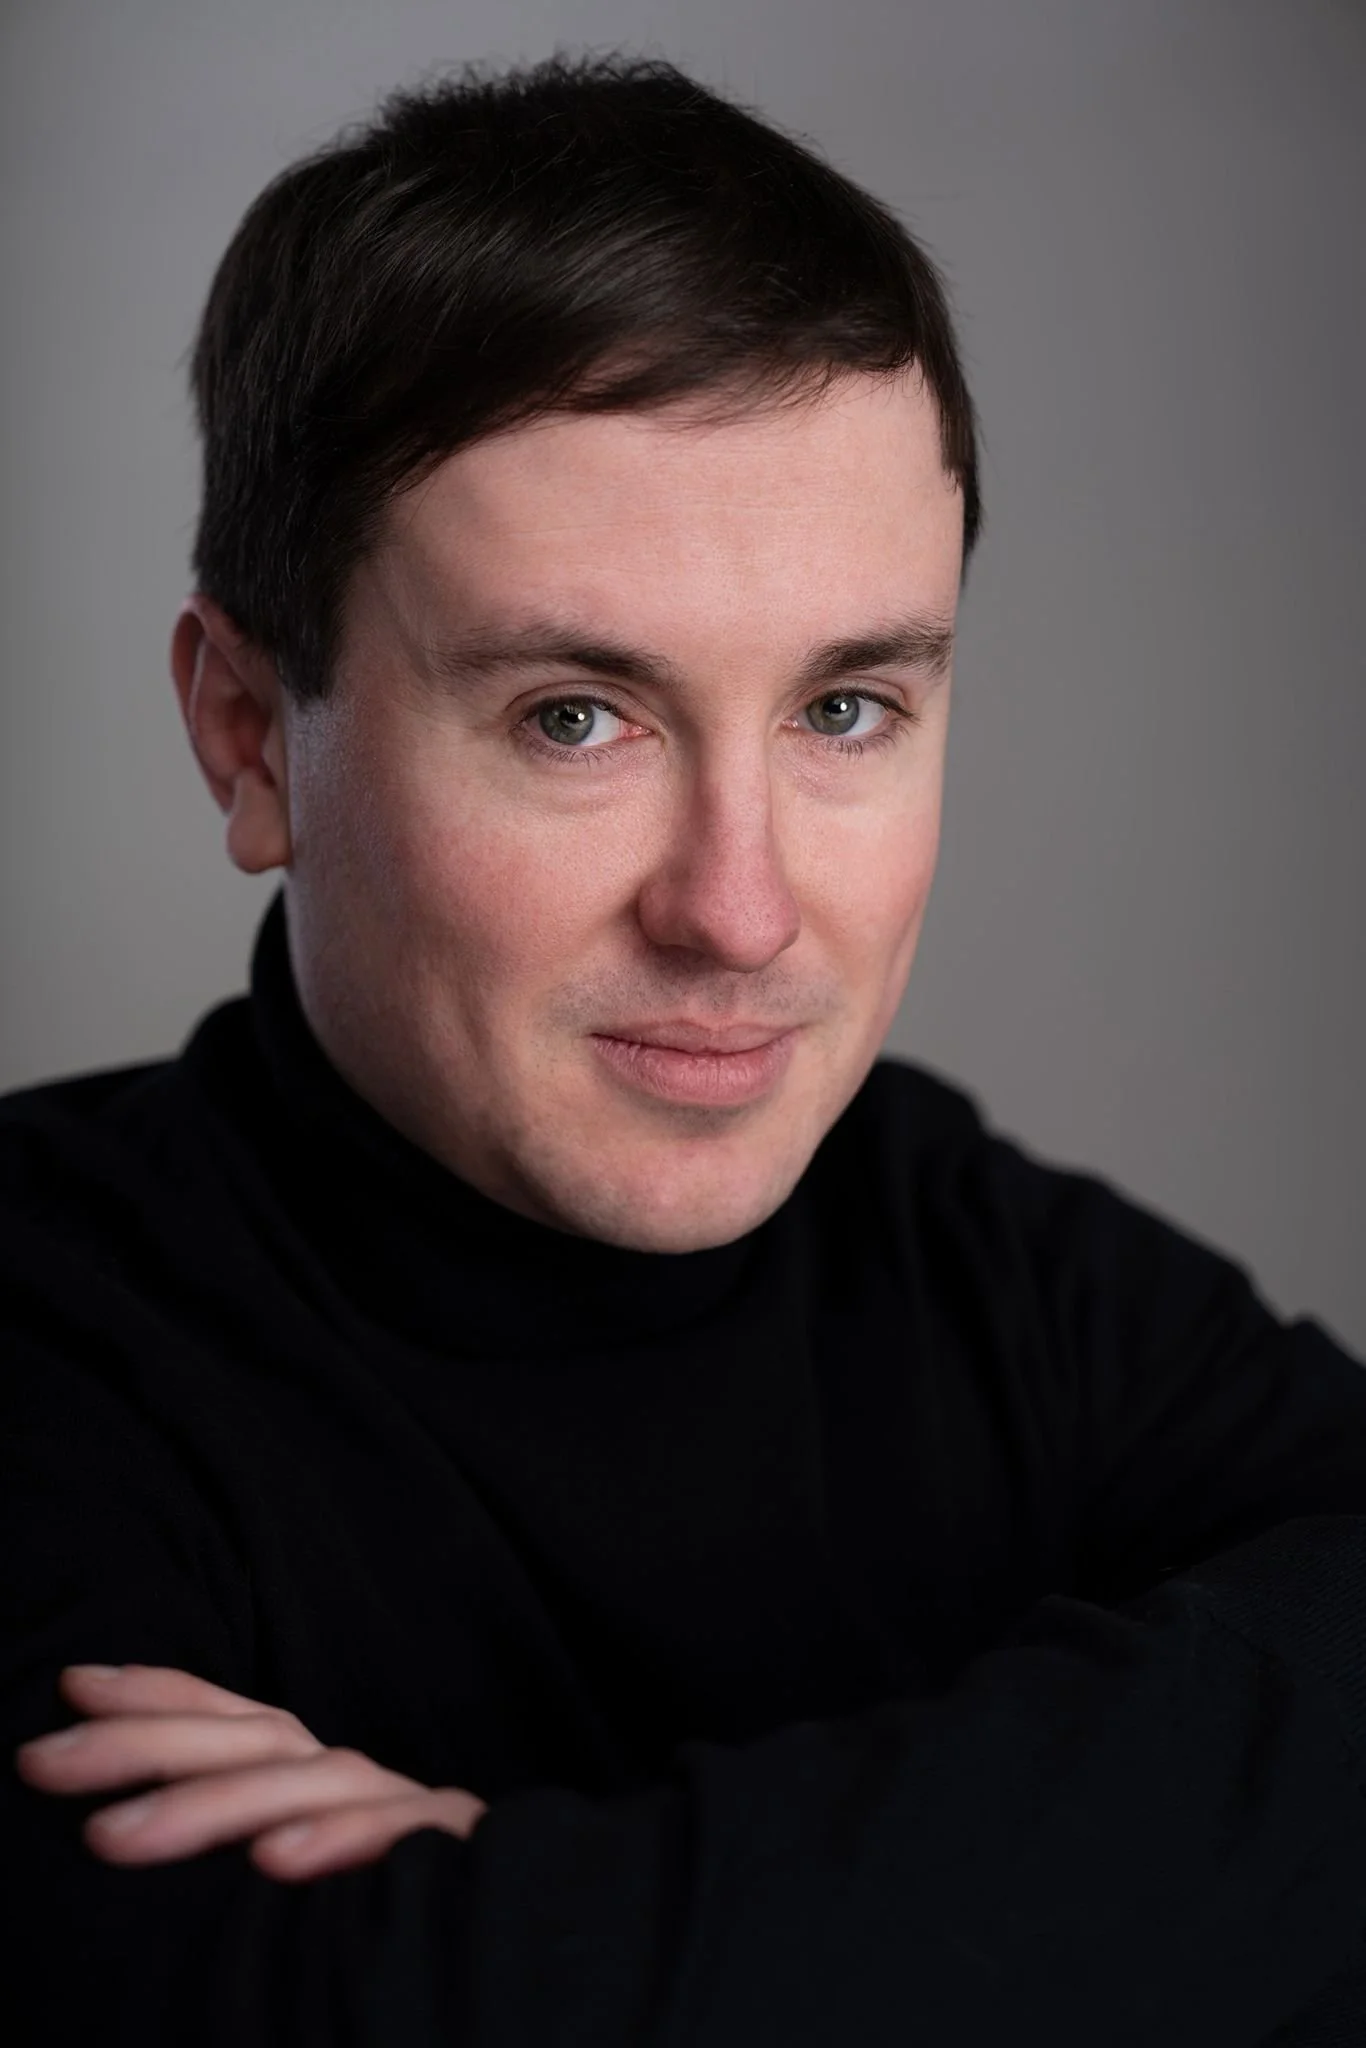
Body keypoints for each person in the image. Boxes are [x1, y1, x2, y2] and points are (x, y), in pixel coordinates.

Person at [3, 48, 1366, 2047]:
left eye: (843, 711)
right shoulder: (38, 1344)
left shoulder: (986, 1265)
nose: (736, 911)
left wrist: (521, 1899)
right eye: (575, 714)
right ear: (244, 730)